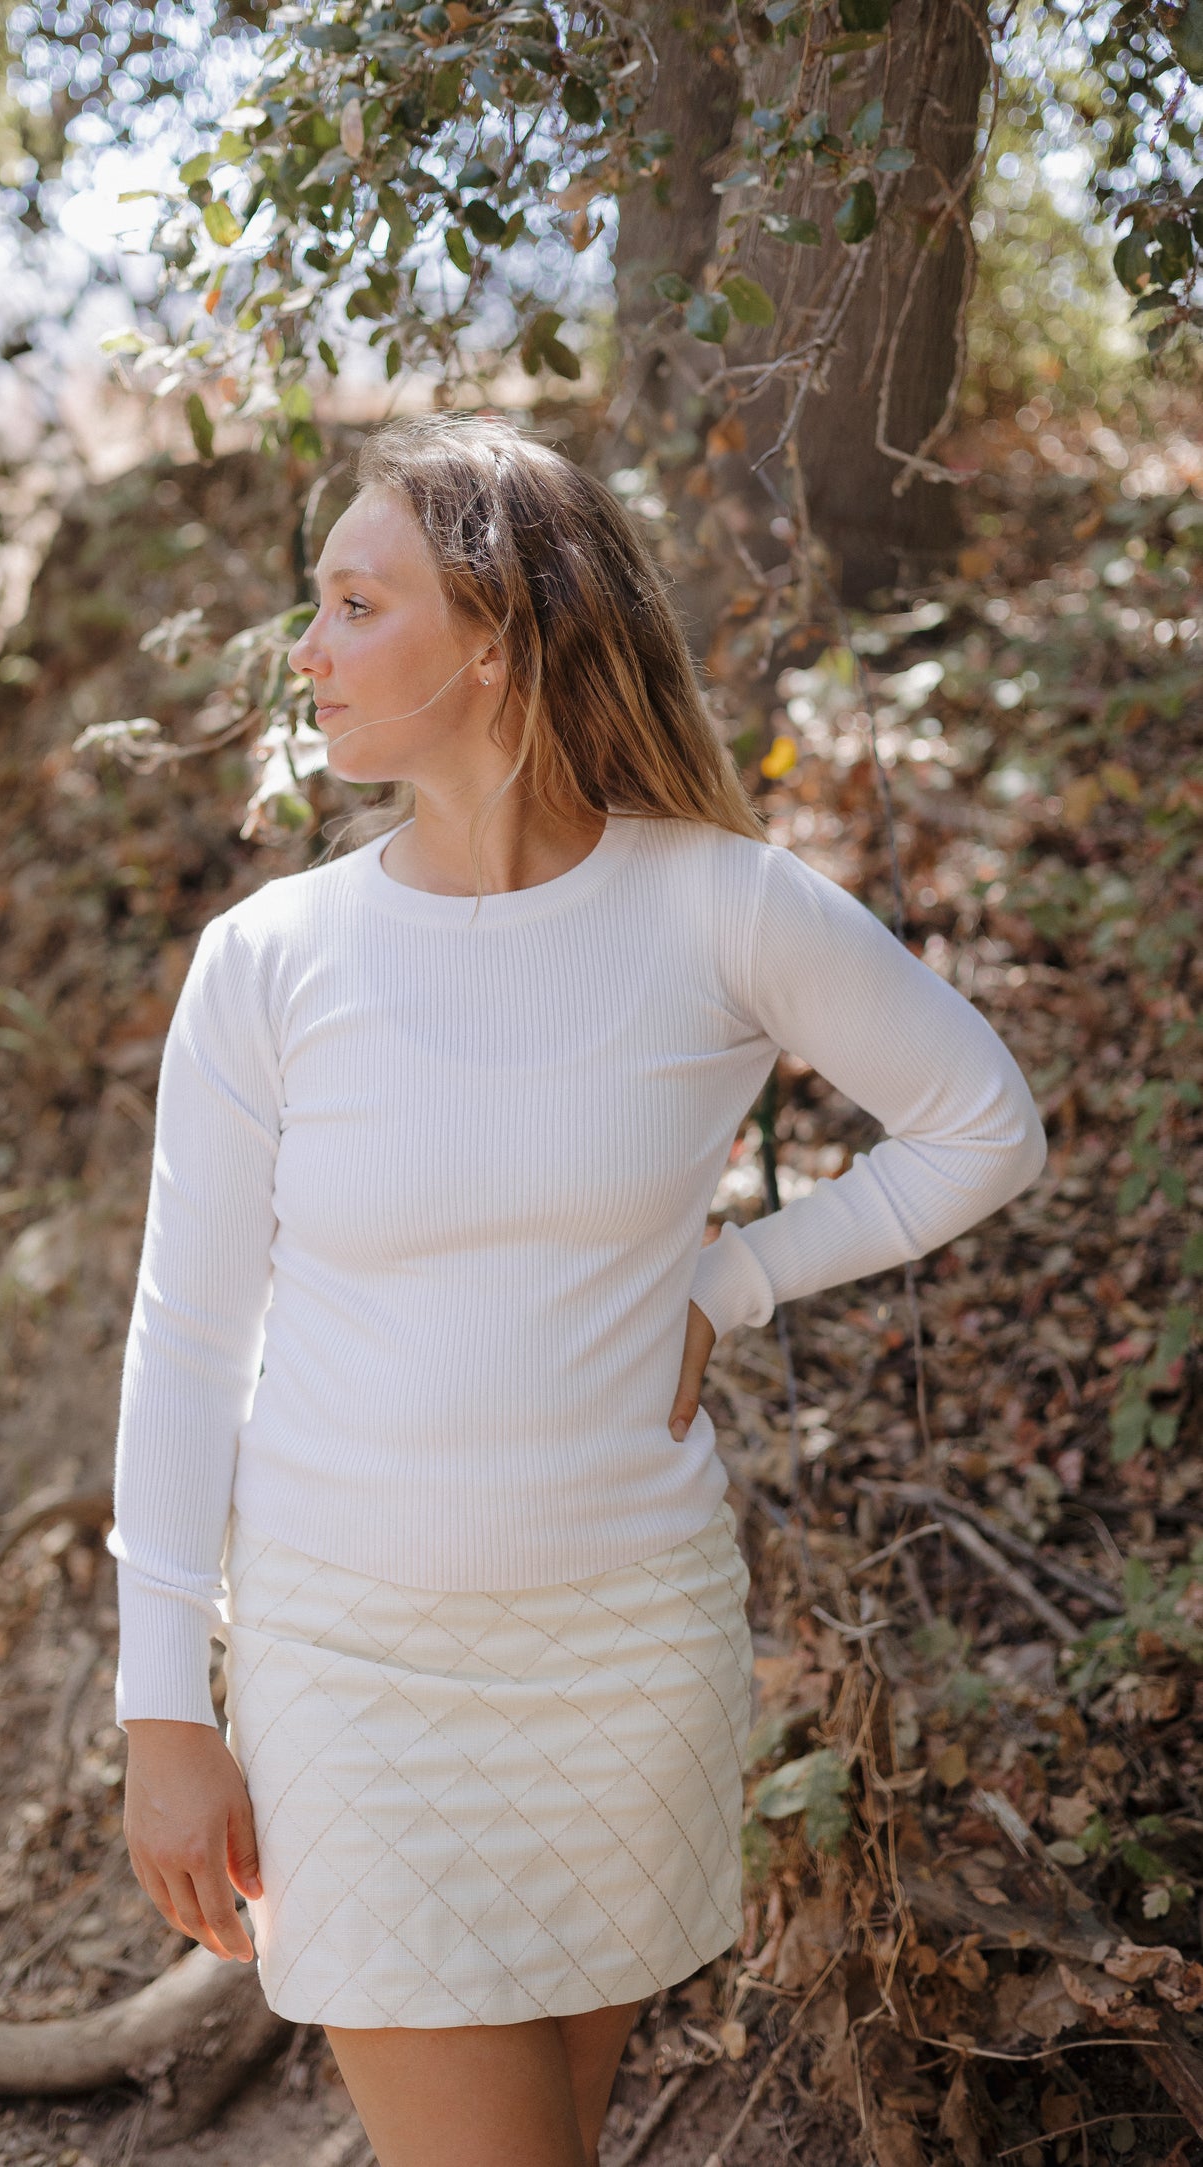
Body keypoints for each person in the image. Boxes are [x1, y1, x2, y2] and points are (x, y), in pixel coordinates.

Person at [109, 411, 1048, 2167]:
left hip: (622, 1659)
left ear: (494, 638)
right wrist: (162, 1702)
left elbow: (982, 1126)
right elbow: (188, 1337)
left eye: (355, 603)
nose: (307, 650)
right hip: (343, 1666)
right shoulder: (271, 959)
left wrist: (733, 1282)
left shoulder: (721, 909)